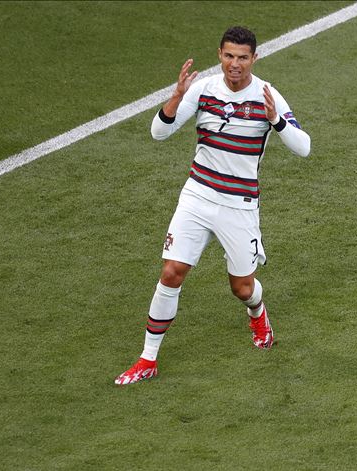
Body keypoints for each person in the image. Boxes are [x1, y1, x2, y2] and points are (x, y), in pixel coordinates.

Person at [115, 26, 310, 385]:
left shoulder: (268, 95)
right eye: (228, 56)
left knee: (242, 287)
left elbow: (304, 147)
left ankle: (257, 312)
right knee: (172, 271)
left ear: (255, 58)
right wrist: (176, 96)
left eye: (242, 58)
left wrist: (275, 121)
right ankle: (148, 358)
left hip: (239, 206)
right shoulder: (203, 90)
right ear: (220, 55)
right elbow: (159, 132)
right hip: (198, 195)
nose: (235, 64)